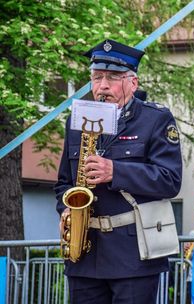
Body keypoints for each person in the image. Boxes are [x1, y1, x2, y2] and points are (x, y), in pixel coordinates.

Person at [54, 39, 182, 303]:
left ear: (132, 83)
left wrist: (116, 171)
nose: (102, 86)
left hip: (134, 255)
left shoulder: (155, 119)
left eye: (112, 78)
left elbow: (170, 180)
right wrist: (66, 210)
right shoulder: (76, 122)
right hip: (85, 254)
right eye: (97, 77)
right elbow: (63, 184)